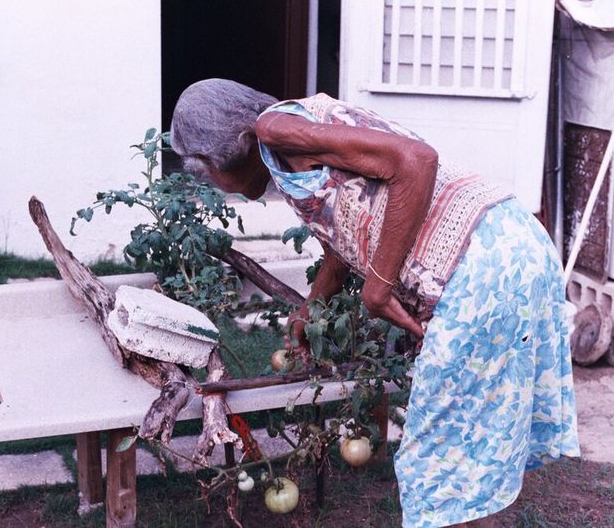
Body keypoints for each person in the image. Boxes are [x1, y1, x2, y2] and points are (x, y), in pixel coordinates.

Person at [170, 79, 580, 528]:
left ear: (225, 150)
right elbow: (344, 231)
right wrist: (312, 307)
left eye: (207, 172)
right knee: (467, 460)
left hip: (482, 269)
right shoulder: (292, 131)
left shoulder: (273, 129)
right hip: (512, 247)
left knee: (442, 467)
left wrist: (378, 288)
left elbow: (416, 161)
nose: (213, 183)